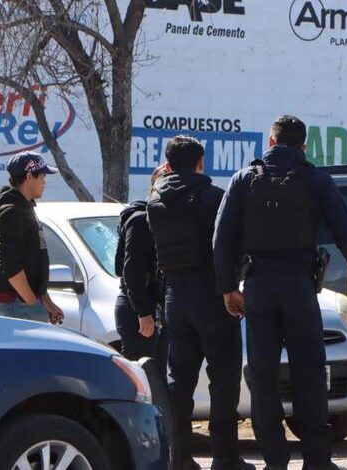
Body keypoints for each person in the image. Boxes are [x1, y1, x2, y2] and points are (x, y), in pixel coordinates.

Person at [213, 115, 347, 470]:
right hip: (299, 286)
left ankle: (274, 460)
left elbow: (221, 238)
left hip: (258, 286)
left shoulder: (243, 179)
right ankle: (316, 460)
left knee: (263, 376)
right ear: (304, 146)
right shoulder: (316, 180)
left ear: (270, 142)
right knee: (309, 372)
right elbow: (344, 228)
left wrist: (227, 287)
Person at [147, 136, 252, 470]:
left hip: (175, 295)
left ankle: (178, 457)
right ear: (200, 163)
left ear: (168, 164)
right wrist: (231, 286)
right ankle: (225, 457)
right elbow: (229, 245)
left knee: (179, 381)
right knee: (224, 378)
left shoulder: (154, 201)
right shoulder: (214, 197)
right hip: (212, 293)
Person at [0, 151, 64, 324]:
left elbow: (31, 262)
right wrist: (32, 302)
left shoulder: (23, 208)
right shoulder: (12, 211)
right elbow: (10, 264)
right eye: (42, 176)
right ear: (29, 176)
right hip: (15, 303)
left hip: (21, 302)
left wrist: (46, 301)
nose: (44, 182)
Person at [114, 164, 168, 363]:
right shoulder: (140, 221)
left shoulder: (167, 220)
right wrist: (144, 312)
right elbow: (131, 272)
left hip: (159, 308)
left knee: (159, 374)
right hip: (138, 308)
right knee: (142, 371)